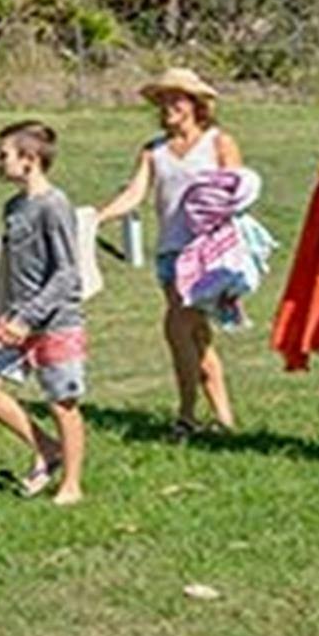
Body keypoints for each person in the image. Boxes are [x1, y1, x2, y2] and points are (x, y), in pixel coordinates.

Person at [95, 67, 242, 439]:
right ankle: (224, 419)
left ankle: (187, 415)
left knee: (177, 326)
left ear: (195, 104)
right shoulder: (154, 151)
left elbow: (239, 189)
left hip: (206, 253)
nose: (167, 106)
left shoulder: (219, 143)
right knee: (197, 336)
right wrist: (98, 217)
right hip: (170, 253)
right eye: (162, 99)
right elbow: (135, 193)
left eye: (175, 98)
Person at [0, 120, 89, 505]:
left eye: (4, 155)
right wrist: (5, 314)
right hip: (18, 320)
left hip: (57, 321)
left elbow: (67, 274)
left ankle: (72, 485)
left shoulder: (54, 206)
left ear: (30, 159)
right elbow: (13, 269)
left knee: (61, 403)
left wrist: (27, 318)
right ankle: (47, 448)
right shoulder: (14, 207)